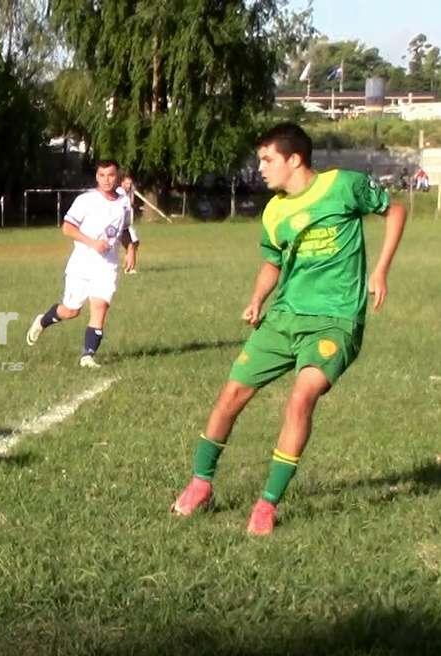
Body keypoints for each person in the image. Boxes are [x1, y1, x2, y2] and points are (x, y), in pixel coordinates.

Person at [170, 122, 407, 536]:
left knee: (300, 398)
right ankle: (200, 484)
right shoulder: (274, 211)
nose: (260, 168)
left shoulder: (343, 185)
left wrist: (381, 270)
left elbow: (396, 210)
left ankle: (266, 504)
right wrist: (257, 299)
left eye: (267, 160)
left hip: (335, 321)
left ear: (294, 159)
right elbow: (272, 262)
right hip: (283, 319)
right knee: (231, 394)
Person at [24, 159, 137, 368]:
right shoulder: (86, 200)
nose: (106, 180)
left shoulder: (123, 202)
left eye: (111, 175)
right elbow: (67, 228)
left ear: (118, 177)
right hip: (82, 265)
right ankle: (42, 320)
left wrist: (130, 250)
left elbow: (124, 230)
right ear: (97, 177)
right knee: (70, 311)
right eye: (102, 175)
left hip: (107, 266)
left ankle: (87, 356)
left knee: (100, 306)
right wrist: (93, 243)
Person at [116, 173, 141, 274]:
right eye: (127, 184)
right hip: (121, 226)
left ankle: (128, 265)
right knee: (131, 245)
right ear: (122, 183)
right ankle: (129, 268)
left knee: (133, 244)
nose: (129, 186)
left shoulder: (127, 194)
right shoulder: (120, 193)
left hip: (127, 225)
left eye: (130, 184)